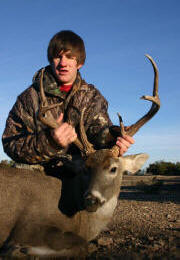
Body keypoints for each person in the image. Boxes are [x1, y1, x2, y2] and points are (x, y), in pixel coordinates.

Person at [2, 30, 134, 173]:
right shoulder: (29, 98)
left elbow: (98, 133)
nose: (63, 63)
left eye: (70, 57)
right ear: (51, 60)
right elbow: (11, 144)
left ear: (80, 63)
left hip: (79, 173)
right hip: (38, 175)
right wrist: (49, 142)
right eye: (58, 57)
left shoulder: (92, 97)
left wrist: (116, 139)